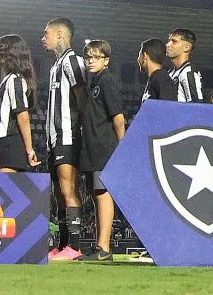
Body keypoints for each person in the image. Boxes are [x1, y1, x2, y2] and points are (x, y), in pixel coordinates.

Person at [41, 18, 88, 261]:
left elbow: (83, 98)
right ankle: (62, 244)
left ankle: (75, 246)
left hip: (68, 135)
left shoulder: (73, 61)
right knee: (58, 193)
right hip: (54, 137)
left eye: (46, 34)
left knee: (69, 189)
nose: (43, 38)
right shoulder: (55, 66)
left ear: (60, 34)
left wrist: (83, 131)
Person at [79, 39, 126, 263]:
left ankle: (104, 248)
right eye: (88, 57)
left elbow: (118, 117)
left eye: (96, 57)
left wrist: (123, 146)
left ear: (106, 60)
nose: (91, 61)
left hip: (104, 148)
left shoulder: (107, 80)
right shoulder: (95, 81)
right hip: (92, 148)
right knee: (95, 195)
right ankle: (100, 245)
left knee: (102, 194)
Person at [0, 35, 41, 172]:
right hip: (3, 145)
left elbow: (22, 115)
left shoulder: (15, 80)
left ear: (8, 53)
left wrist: (29, 150)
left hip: (10, 145)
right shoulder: (9, 79)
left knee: (5, 185)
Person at [165, 28, 203, 102]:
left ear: (186, 47)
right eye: (169, 41)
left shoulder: (188, 73)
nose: (167, 44)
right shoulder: (170, 72)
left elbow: (196, 105)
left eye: (174, 41)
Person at [138, 38, 175, 102]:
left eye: (139, 55)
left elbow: (168, 106)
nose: (138, 59)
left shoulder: (161, 78)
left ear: (145, 56)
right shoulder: (156, 78)